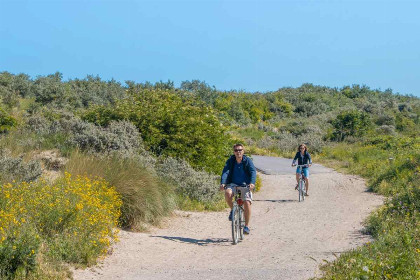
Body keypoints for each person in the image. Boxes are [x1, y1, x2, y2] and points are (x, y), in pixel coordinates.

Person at [220, 143, 256, 235]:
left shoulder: (247, 160)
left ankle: (246, 226)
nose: (238, 152)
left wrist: (252, 183)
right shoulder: (231, 161)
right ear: (234, 152)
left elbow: (253, 171)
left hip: (245, 185)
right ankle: (233, 210)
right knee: (228, 194)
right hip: (233, 184)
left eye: (240, 150)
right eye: (236, 150)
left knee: (247, 202)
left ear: (243, 151)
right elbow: (226, 172)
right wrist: (223, 183)